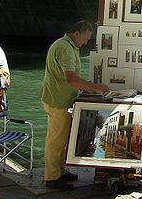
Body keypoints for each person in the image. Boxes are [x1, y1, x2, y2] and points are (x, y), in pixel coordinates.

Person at [40, 20, 108, 189]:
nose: (85, 43)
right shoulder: (65, 48)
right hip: (58, 101)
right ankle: (52, 177)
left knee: (61, 138)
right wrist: (95, 87)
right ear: (76, 33)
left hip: (58, 98)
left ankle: (60, 171)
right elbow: (70, 78)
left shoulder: (66, 46)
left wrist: (87, 86)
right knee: (56, 141)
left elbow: (70, 77)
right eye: (85, 39)